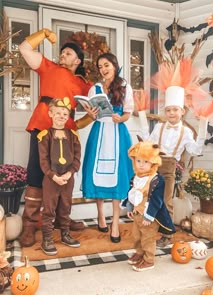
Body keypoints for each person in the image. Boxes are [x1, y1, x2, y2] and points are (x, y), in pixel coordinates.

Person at [18, 28, 96, 247]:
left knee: (65, 177)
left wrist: (90, 118)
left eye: (68, 53)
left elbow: (92, 109)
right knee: (36, 173)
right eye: (62, 52)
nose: (63, 55)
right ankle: (30, 224)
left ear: (78, 60)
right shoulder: (48, 67)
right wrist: (42, 34)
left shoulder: (83, 84)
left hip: (67, 133)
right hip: (42, 127)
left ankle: (63, 220)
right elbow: (24, 48)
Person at [141, 85, 208, 247]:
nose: (171, 113)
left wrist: (203, 126)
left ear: (182, 111)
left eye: (175, 110)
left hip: (169, 170)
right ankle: (149, 228)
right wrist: (143, 117)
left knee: (166, 201)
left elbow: (196, 149)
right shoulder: (159, 127)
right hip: (154, 167)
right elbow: (147, 143)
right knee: (148, 200)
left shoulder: (185, 132)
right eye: (168, 110)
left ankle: (167, 234)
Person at [82, 53, 134, 243]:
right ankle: (100, 215)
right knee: (97, 172)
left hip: (118, 133)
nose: (103, 69)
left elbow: (128, 112)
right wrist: (91, 113)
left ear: (114, 65)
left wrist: (120, 118)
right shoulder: (94, 88)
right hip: (99, 132)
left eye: (106, 65)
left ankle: (115, 224)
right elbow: (94, 116)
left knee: (117, 176)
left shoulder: (125, 86)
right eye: (100, 66)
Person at [121, 141, 176, 272]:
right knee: (136, 236)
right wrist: (129, 207)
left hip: (149, 216)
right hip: (137, 214)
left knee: (148, 238)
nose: (141, 165)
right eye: (139, 161)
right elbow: (132, 192)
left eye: (146, 162)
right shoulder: (136, 177)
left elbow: (156, 201)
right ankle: (140, 253)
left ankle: (149, 259)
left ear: (153, 162)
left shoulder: (156, 179)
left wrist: (149, 216)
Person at [38, 98, 81, 255]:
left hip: (68, 179)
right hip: (51, 180)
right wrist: (53, 176)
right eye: (57, 113)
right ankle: (47, 238)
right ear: (50, 114)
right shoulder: (44, 136)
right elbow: (43, 161)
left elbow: (76, 158)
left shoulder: (73, 135)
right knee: (49, 209)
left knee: (65, 207)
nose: (61, 116)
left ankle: (65, 234)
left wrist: (70, 173)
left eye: (65, 113)